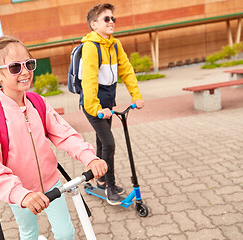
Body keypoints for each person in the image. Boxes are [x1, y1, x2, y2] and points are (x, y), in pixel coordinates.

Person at [0, 35, 108, 240]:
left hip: (51, 184)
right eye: (15, 67)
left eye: (29, 64)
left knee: (66, 233)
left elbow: (64, 134)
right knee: (29, 234)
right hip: (20, 192)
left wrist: (89, 157)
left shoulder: (37, 103)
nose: (25, 72)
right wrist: (22, 195)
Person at [80, 3, 144, 205]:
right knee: (109, 144)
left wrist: (136, 96)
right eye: (106, 19)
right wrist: (96, 109)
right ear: (94, 24)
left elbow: (127, 70)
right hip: (93, 105)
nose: (111, 22)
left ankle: (99, 179)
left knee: (101, 142)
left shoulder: (115, 45)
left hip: (108, 103)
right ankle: (109, 186)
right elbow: (89, 80)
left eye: (112, 18)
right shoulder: (91, 47)